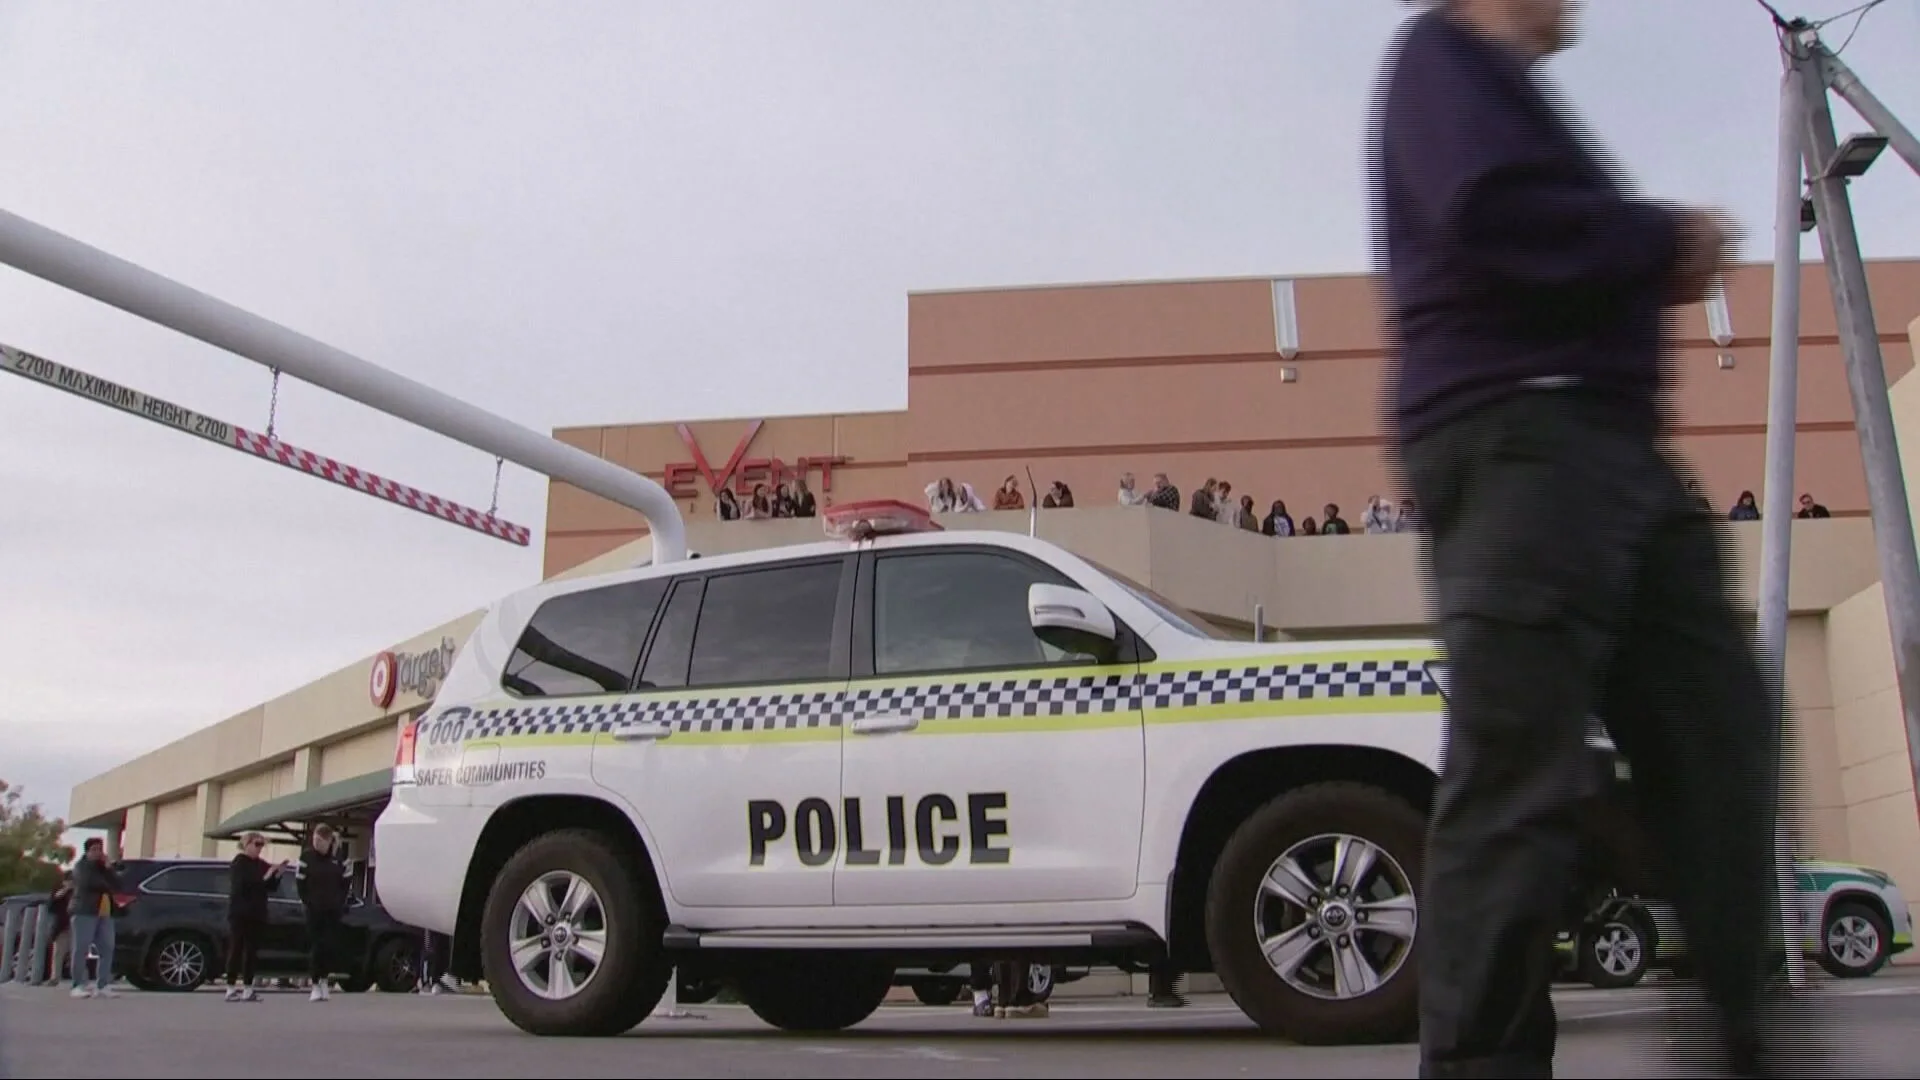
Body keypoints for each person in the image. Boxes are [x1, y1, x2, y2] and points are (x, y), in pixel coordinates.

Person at [1370, 1, 1816, 1075]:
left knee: (1721, 729)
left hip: (1614, 452)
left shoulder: (1515, 93)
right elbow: (1495, 216)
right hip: (1523, 435)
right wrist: (1666, 241)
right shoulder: (1441, 55)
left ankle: (1742, 1034)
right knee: (1514, 776)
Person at [225, 833, 289, 1002]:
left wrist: (277, 874)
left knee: (252, 951)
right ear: (246, 844)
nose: (259, 848)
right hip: (240, 912)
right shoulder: (239, 862)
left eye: (262, 845)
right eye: (256, 844)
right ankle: (231, 987)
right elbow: (242, 885)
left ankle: (248, 987)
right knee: (236, 948)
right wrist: (265, 876)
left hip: (257, 912)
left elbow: (268, 887)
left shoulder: (260, 864)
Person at [296, 824, 349, 1002]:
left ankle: (325, 980)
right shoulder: (307, 857)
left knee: (329, 946)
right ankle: (315, 983)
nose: (316, 843)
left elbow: (345, 884)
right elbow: (300, 884)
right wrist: (308, 902)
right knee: (316, 947)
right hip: (314, 910)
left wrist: (339, 903)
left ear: (328, 841)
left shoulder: (339, 858)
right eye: (314, 839)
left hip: (333, 911)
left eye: (320, 840)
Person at [66, 839, 121, 999]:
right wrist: (106, 879)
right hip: (85, 911)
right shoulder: (81, 867)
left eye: (100, 849)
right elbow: (91, 883)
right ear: (87, 851)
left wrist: (109, 869)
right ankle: (77, 984)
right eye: (94, 850)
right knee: (81, 948)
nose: (98, 853)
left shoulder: (103, 868)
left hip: (105, 912)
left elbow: (117, 884)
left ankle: (102, 985)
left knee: (107, 948)